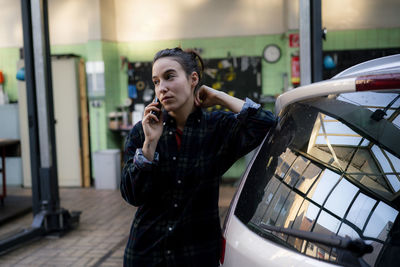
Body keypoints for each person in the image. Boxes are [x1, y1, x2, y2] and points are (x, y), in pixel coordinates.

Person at [120, 47, 277, 267]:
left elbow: (265, 123)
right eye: (156, 81)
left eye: (169, 77)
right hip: (147, 255)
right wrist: (149, 144)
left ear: (193, 79)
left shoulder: (216, 127)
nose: (162, 88)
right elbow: (131, 195)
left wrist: (220, 97)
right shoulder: (143, 131)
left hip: (196, 255)